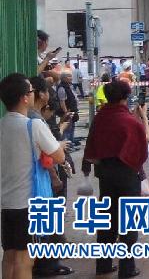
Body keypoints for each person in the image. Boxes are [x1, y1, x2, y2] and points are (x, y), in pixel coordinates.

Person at [0, 73, 67, 279]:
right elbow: (59, 156)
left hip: (6, 203)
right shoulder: (33, 125)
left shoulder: (2, 125)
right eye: (30, 90)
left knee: (9, 257)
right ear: (25, 98)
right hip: (28, 204)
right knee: (25, 260)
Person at [82, 80, 148, 277]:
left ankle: (103, 264)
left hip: (105, 174)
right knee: (129, 221)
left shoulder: (100, 117)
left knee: (106, 220)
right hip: (127, 175)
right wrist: (143, 116)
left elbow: (91, 143)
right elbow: (142, 141)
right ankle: (127, 268)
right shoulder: (129, 120)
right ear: (125, 98)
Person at [28, 76, 74, 278]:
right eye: (46, 90)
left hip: (38, 182)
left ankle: (48, 262)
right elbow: (49, 154)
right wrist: (55, 175)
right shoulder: (35, 120)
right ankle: (48, 264)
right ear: (40, 94)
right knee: (50, 221)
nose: (49, 94)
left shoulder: (30, 118)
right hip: (45, 179)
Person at [57, 71, 80, 146]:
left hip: (72, 111)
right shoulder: (62, 88)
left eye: (71, 76)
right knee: (67, 130)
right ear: (63, 78)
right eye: (68, 76)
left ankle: (71, 144)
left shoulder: (69, 86)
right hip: (68, 112)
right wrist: (66, 113)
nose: (71, 78)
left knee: (71, 128)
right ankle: (66, 146)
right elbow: (62, 102)